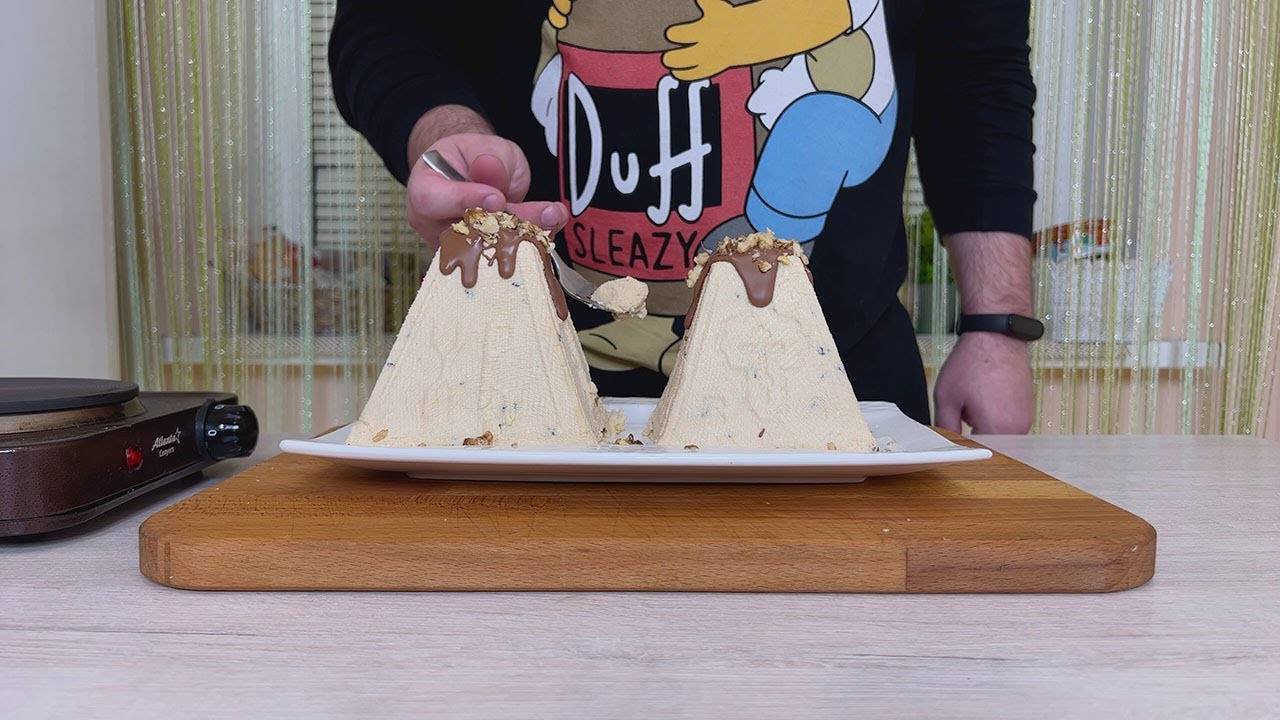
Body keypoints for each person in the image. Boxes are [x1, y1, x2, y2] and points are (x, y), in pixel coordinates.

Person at [329, 0, 1039, 433]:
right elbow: (388, 22)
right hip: (525, 387)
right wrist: (449, 137)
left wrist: (998, 327)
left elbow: (975, 71)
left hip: (837, 386)